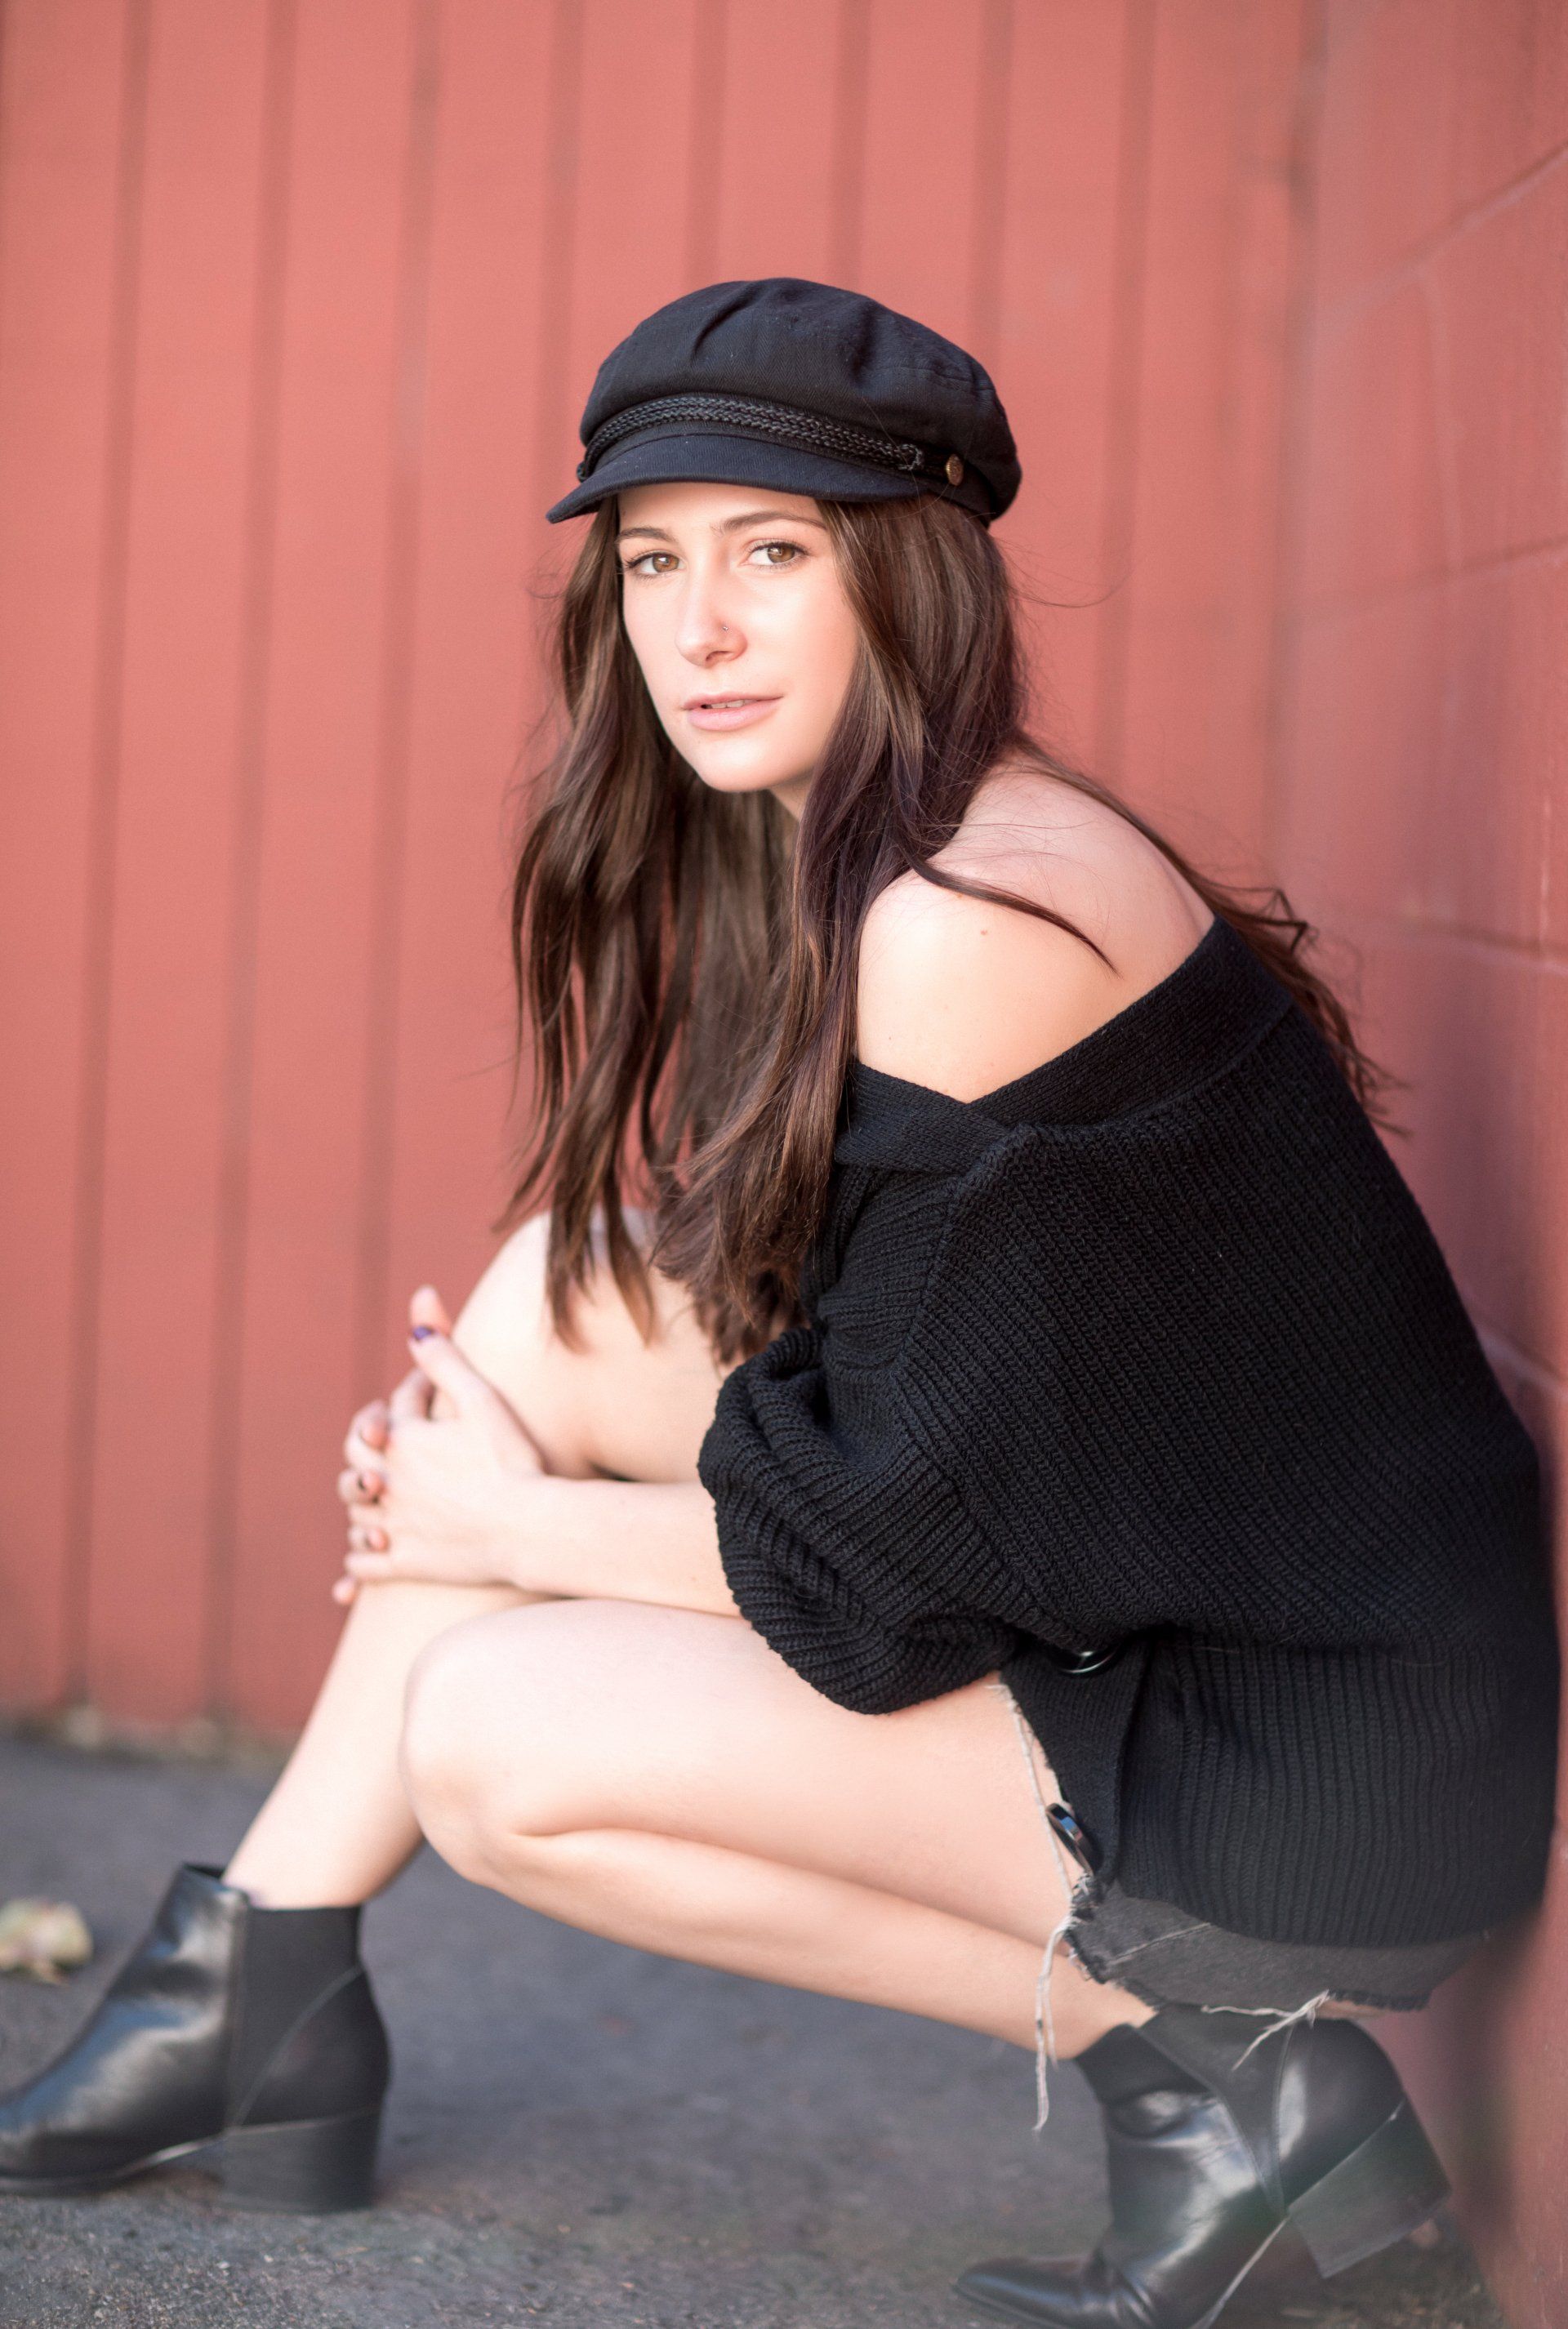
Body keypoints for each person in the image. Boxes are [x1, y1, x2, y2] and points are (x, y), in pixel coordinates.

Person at [0, 279, 1557, 2329]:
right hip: (1197, 1609)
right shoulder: (888, 847)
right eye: (652, 561)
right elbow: (886, 1416)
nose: (695, 628)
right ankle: (262, 1968)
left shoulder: (967, 918)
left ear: (903, 580)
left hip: (1309, 1753)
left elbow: (888, 1573)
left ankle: (1231, 2084)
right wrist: (503, 1490)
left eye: (772, 554)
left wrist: (508, 1533)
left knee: (495, 1744)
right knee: (565, 1300)